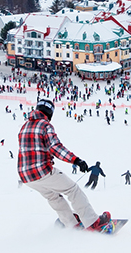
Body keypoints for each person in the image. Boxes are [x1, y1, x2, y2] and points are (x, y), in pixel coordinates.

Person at [17, 99, 111, 232]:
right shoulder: (44, 125)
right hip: (42, 171)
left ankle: (71, 225)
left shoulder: (24, 126)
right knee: (72, 190)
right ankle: (93, 223)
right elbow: (55, 147)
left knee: (52, 196)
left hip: (26, 176)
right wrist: (76, 160)